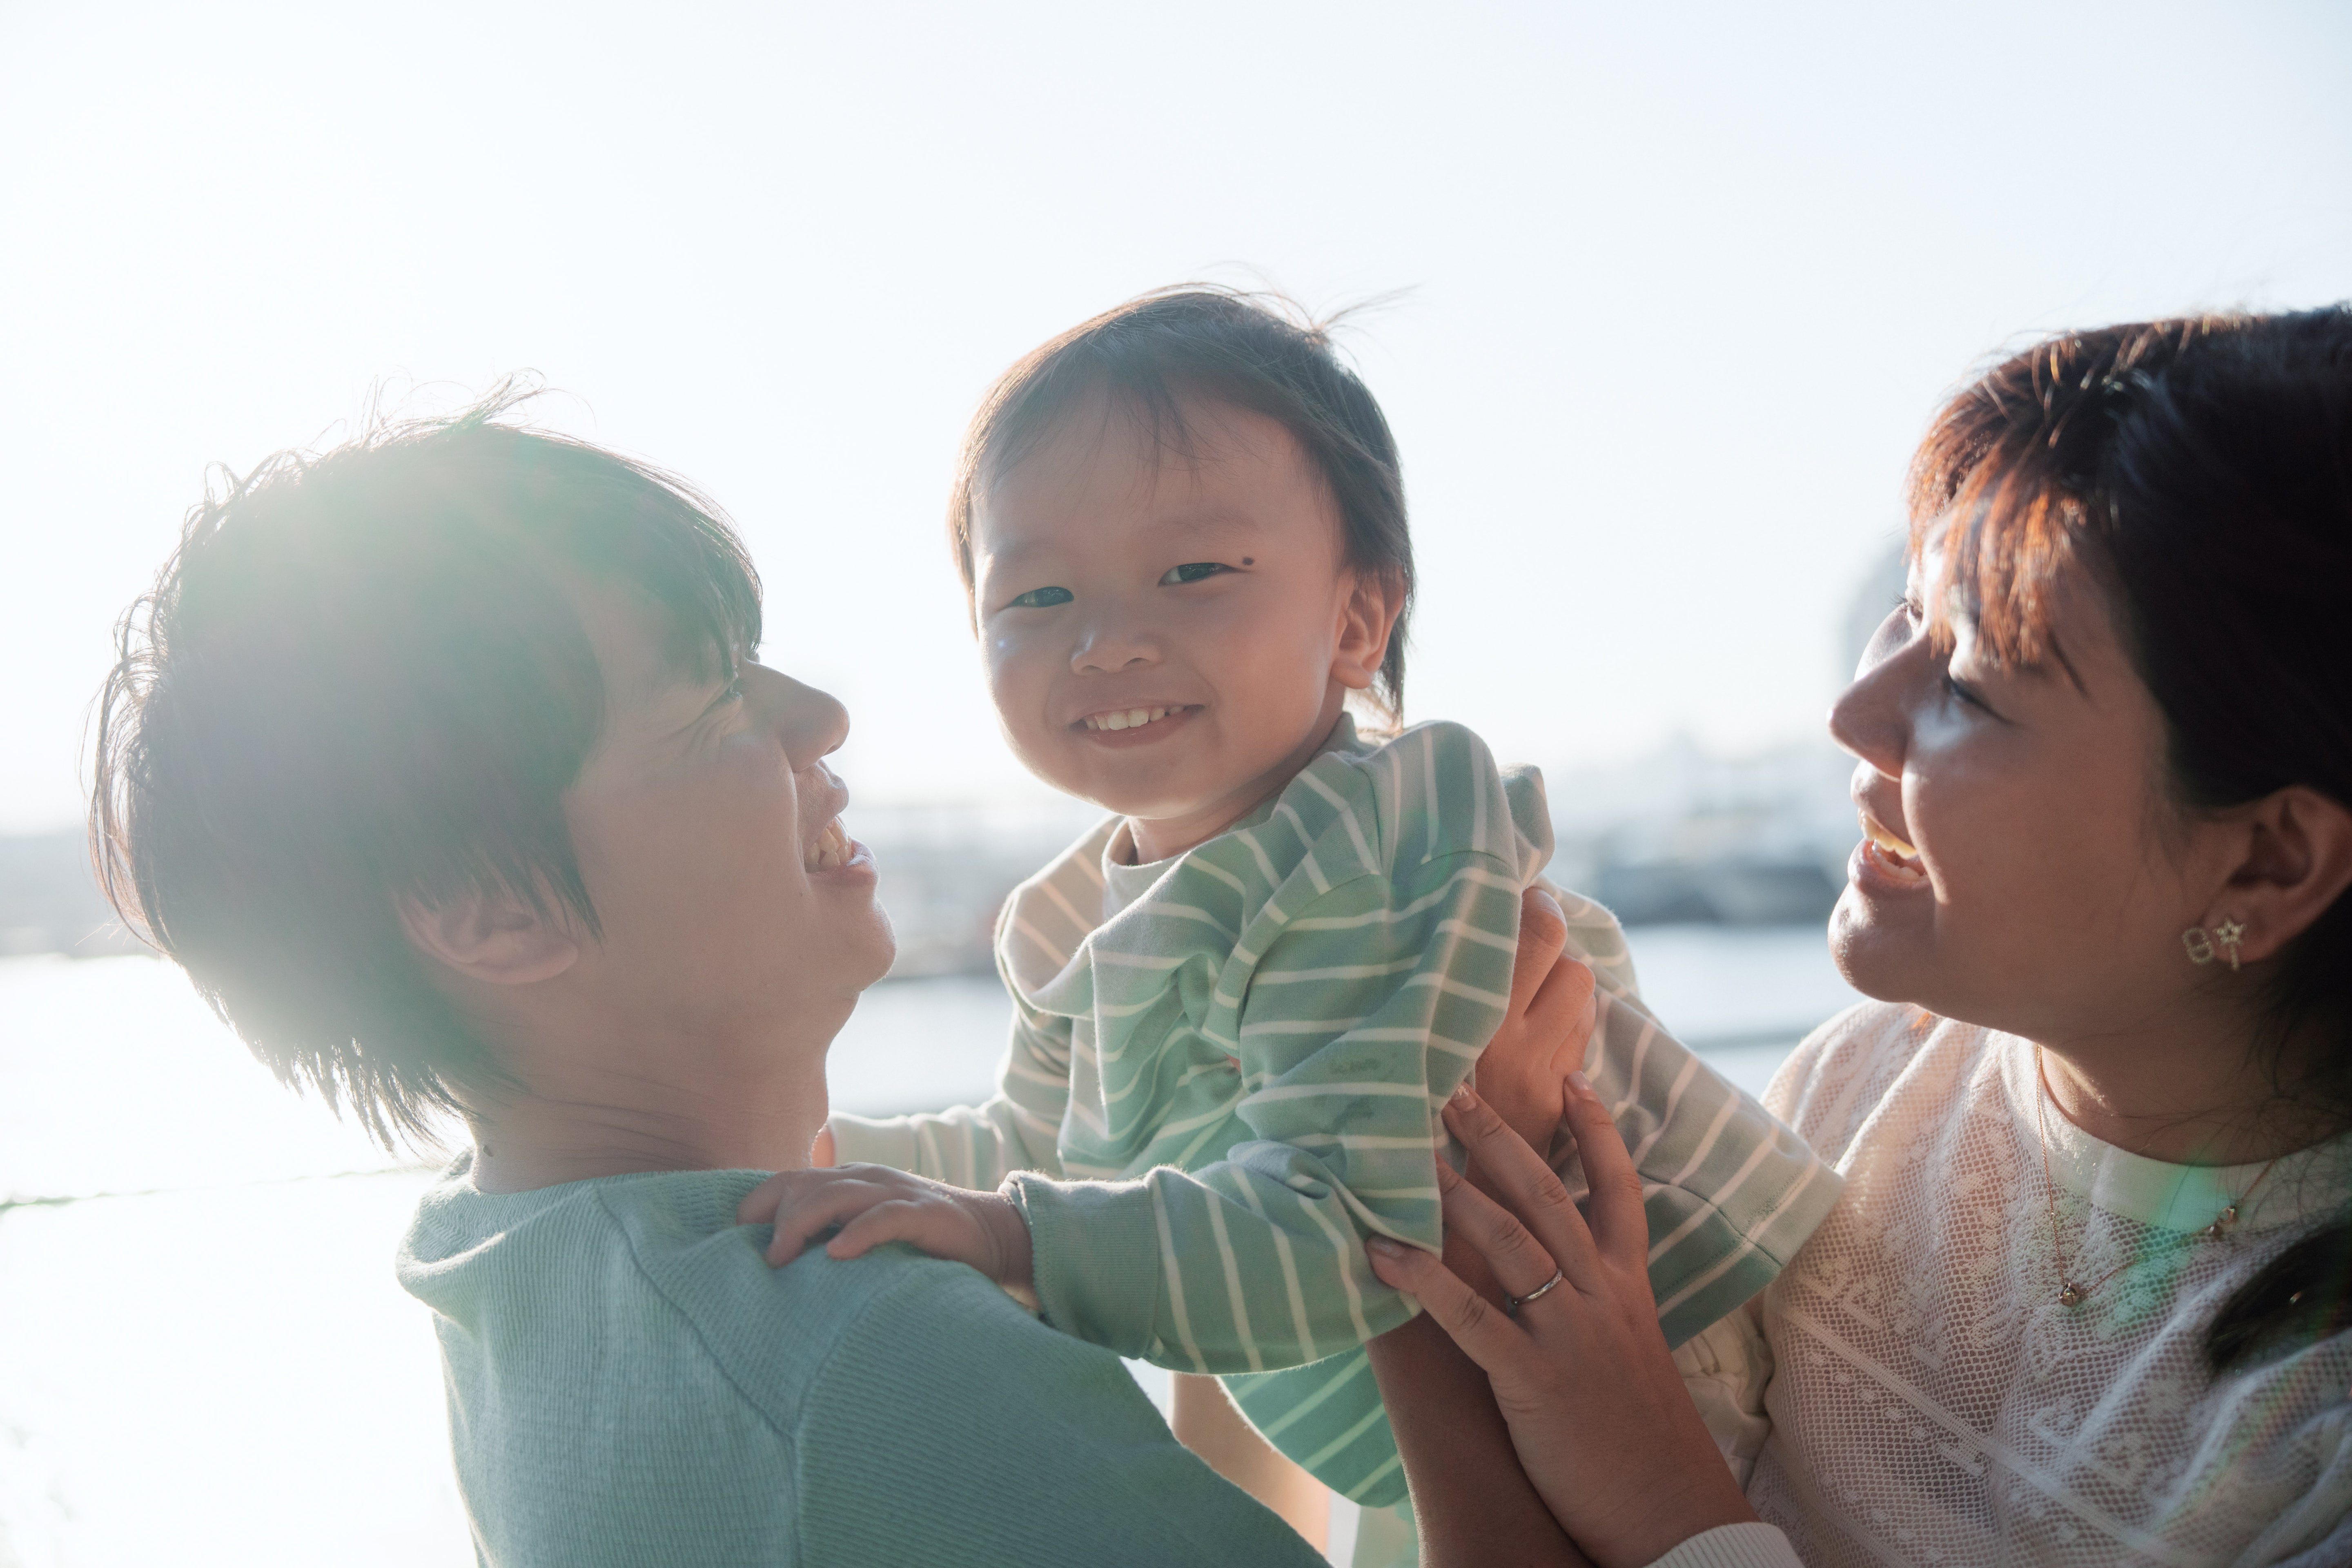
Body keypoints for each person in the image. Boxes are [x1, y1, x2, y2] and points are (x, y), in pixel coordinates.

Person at [87, 395, 1589, 1566]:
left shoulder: (513, 1274)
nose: (819, 715)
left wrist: (1224, 1172)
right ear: (488, 909)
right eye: (711, 700)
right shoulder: (874, 1370)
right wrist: (1435, 1194)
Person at [734, 289, 1841, 1540]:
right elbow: (1046, 1151)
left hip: (1661, 1357)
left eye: (1192, 573)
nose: (1107, 642)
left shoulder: (1386, 845)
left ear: (1358, 621)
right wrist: (813, 1159)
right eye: (1037, 597)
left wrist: (1005, 1238)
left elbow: (1349, 1220)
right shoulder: (1067, 920)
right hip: (1459, 1388)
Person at [1368, 306, 2352, 1566]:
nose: (1852, 710)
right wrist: (1483, 1149)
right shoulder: (1865, 1082)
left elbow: (1625, 1465)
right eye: (1906, 613)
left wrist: (1405, 1222)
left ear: (2268, 862)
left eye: (1970, 682)